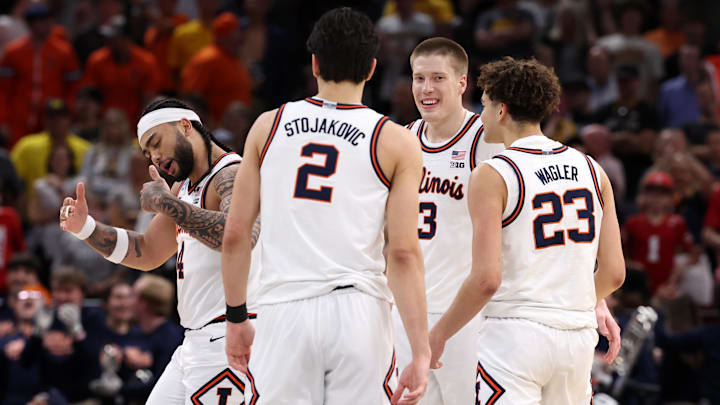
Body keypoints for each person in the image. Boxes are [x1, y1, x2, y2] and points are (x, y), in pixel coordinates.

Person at [222, 7, 430, 405]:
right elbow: (403, 253)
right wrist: (419, 351)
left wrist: (236, 320)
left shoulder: (268, 125)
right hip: (358, 312)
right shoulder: (396, 140)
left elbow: (235, 236)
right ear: (372, 68)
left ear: (314, 63)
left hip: (284, 310)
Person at [428, 57, 626, 404]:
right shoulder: (592, 169)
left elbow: (486, 280)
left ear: (501, 110)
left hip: (515, 337)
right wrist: (577, 303)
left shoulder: (493, 174)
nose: (481, 114)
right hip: (577, 337)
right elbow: (613, 273)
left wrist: (439, 334)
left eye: (485, 104)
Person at [59, 97, 260, 404]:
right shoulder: (186, 188)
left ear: (185, 126)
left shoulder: (232, 174)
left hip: (228, 336)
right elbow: (148, 250)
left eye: (156, 143)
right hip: (194, 341)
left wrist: (168, 205)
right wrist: (85, 228)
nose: (154, 158)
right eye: (147, 152)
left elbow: (240, 237)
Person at [396, 37, 503, 405]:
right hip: (406, 313)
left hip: (467, 316)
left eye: (438, 78)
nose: (426, 88)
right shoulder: (401, 140)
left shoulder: (486, 139)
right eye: (418, 78)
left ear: (461, 83)